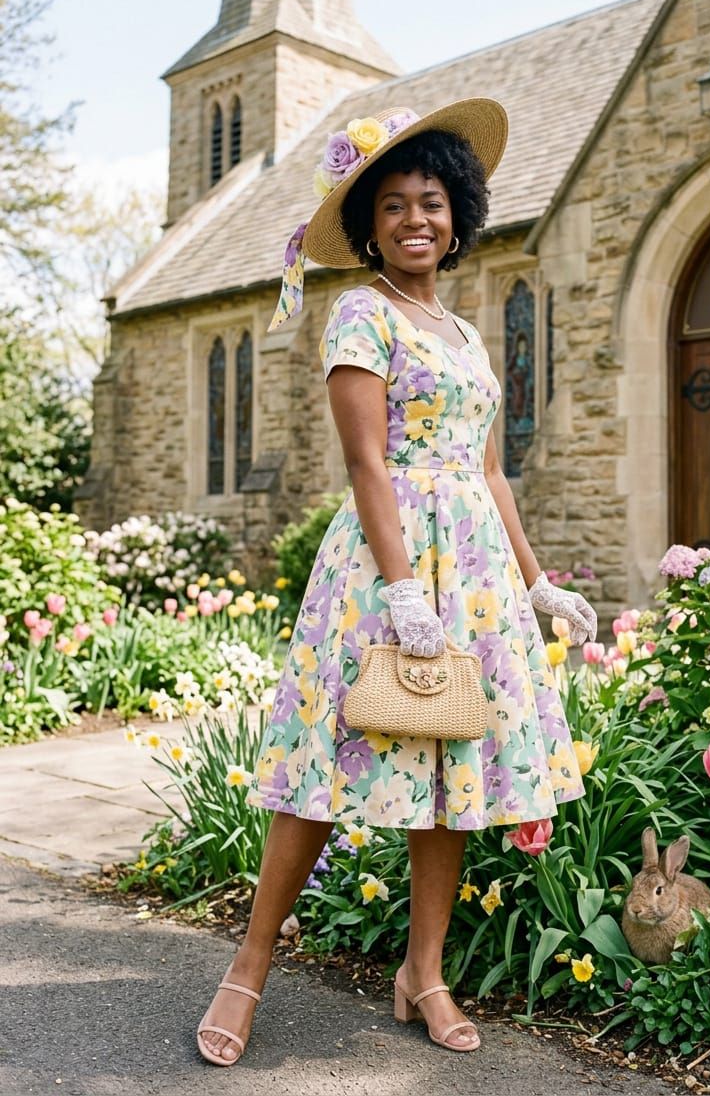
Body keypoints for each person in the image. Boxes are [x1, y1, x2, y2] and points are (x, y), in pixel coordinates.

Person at [196, 99, 598, 1066]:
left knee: (451, 768)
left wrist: (539, 584)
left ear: (459, 214)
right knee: (322, 772)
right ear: (371, 229)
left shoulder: (462, 334)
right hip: (386, 572)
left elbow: (490, 469)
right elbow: (369, 463)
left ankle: (425, 971)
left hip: (480, 579)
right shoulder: (362, 313)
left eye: (433, 202)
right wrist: (403, 588)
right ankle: (247, 967)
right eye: (394, 207)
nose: (417, 219)